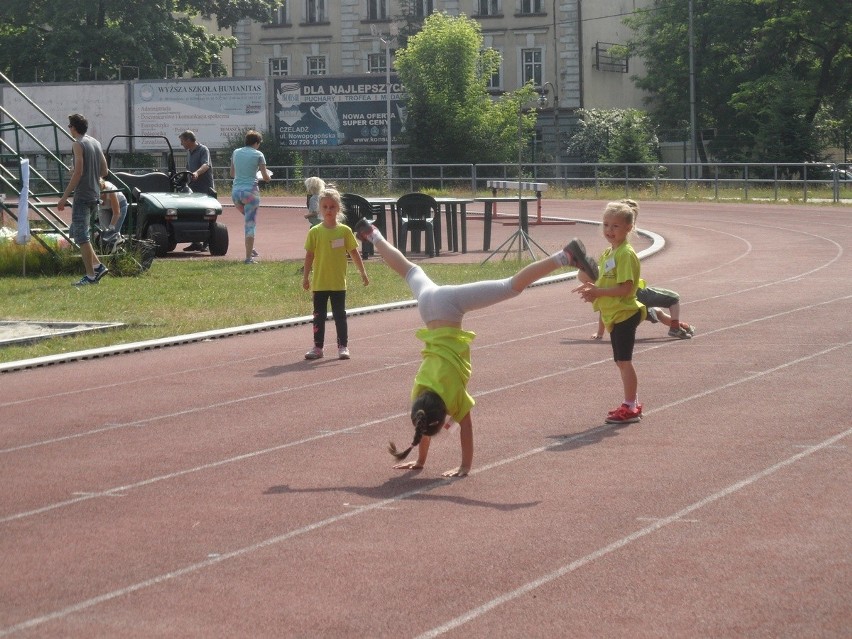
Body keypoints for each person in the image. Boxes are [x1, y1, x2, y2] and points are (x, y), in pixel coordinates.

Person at [354, 217, 580, 477]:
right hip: (427, 306)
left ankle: (565, 256)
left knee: (510, 286)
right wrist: (419, 460)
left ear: (445, 416)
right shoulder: (420, 393)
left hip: (449, 306)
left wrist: (465, 466)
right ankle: (372, 234)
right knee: (408, 270)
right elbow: (422, 422)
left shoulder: (453, 399)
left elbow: (466, 427)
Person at [570, 201, 644, 425]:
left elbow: (626, 288)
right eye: (606, 225)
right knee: (621, 362)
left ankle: (631, 406)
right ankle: (631, 402)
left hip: (625, 313)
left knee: (624, 361)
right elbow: (603, 280)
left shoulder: (625, 254)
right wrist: (591, 288)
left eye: (616, 226)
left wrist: (598, 291)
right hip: (614, 314)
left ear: (629, 228)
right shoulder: (609, 252)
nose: (609, 231)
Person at [302, 186, 369, 360]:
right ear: (320, 209)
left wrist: (362, 273)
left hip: (338, 282)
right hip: (320, 283)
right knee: (319, 316)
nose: (329, 210)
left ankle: (343, 346)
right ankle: (318, 347)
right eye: (325, 207)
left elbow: (354, 253)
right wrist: (306, 277)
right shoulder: (315, 232)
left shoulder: (344, 231)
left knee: (340, 315)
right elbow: (309, 255)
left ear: (338, 208)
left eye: (332, 207)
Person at [57, 113, 109, 286]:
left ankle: (90, 276)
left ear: (74, 128)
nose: (69, 129)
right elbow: (104, 171)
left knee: (81, 237)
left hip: (83, 195)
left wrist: (64, 197)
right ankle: (98, 266)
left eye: (69, 126)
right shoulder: (95, 142)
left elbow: (78, 172)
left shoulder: (77, 144)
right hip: (95, 194)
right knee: (81, 233)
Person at [590, 283, 696, 340]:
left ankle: (682, 326)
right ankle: (676, 328)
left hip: (630, 307)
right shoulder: (625, 254)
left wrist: (600, 333)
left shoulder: (603, 284)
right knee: (674, 297)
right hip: (636, 296)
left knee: (658, 313)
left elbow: (603, 310)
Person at [230, 129, 271, 264]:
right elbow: (265, 177)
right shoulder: (258, 154)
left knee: (248, 219)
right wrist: (266, 176)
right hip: (250, 192)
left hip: (236, 193)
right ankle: (248, 258)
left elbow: (232, 173)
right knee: (250, 224)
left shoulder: (236, 152)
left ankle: (250, 248)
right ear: (257, 143)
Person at [179, 130, 217, 253]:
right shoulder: (189, 152)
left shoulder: (203, 149)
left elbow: (206, 165)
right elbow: (188, 168)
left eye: (182, 141)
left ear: (189, 140)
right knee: (194, 214)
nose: (181, 144)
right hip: (193, 188)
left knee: (208, 214)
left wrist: (197, 173)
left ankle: (207, 242)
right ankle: (195, 242)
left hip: (205, 187)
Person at [98, 176, 128, 252]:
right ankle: (106, 252)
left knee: (114, 232)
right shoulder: (92, 191)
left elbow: (116, 212)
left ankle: (117, 253)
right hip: (105, 208)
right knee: (104, 231)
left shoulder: (110, 190)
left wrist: (112, 226)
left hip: (120, 206)